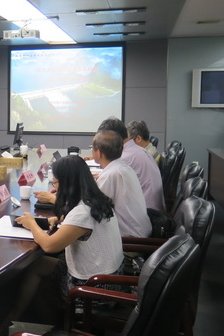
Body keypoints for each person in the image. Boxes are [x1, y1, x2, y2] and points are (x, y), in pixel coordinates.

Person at [9, 155, 123, 324]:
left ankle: (55, 328)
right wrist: (59, 219)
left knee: (41, 283)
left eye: (55, 183)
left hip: (92, 289)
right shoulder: (96, 199)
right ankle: (15, 318)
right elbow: (79, 221)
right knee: (38, 265)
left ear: (67, 183)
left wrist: (31, 224)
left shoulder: (82, 213)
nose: (54, 188)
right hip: (112, 279)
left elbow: (49, 246)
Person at [91, 130, 152, 238]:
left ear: (99, 152)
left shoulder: (110, 175)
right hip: (140, 232)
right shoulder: (124, 168)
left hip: (130, 240)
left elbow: (94, 209)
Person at [98, 117, 164, 211]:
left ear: (113, 138)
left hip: (146, 212)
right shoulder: (138, 150)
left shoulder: (125, 157)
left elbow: (103, 192)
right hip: (153, 208)